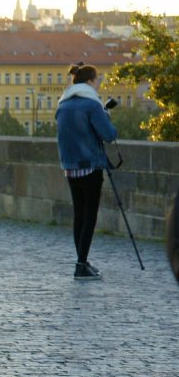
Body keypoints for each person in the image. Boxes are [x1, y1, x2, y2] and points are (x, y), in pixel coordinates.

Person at [56, 62, 118, 281]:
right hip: (90, 166)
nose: (99, 82)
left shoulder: (63, 103)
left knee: (79, 215)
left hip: (70, 167)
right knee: (89, 216)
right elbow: (109, 135)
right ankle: (81, 264)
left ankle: (81, 260)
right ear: (90, 81)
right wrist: (106, 115)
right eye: (98, 78)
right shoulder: (91, 104)